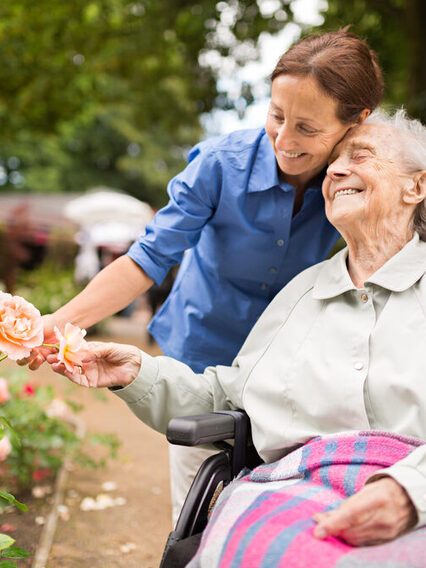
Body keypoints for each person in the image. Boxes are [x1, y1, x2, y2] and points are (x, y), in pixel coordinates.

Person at [27, 29, 384, 523]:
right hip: (200, 350)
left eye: (307, 128)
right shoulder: (221, 164)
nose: (284, 139)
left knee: (278, 512)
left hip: (293, 367)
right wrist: (57, 323)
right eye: (276, 116)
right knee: (199, 511)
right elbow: (146, 259)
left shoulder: (362, 181)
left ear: (356, 123)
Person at [47, 109, 426, 565]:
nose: (338, 170)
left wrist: (411, 492)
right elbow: (231, 398)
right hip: (292, 492)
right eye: (334, 163)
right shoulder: (301, 293)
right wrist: (138, 372)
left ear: (416, 187)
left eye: (360, 156)